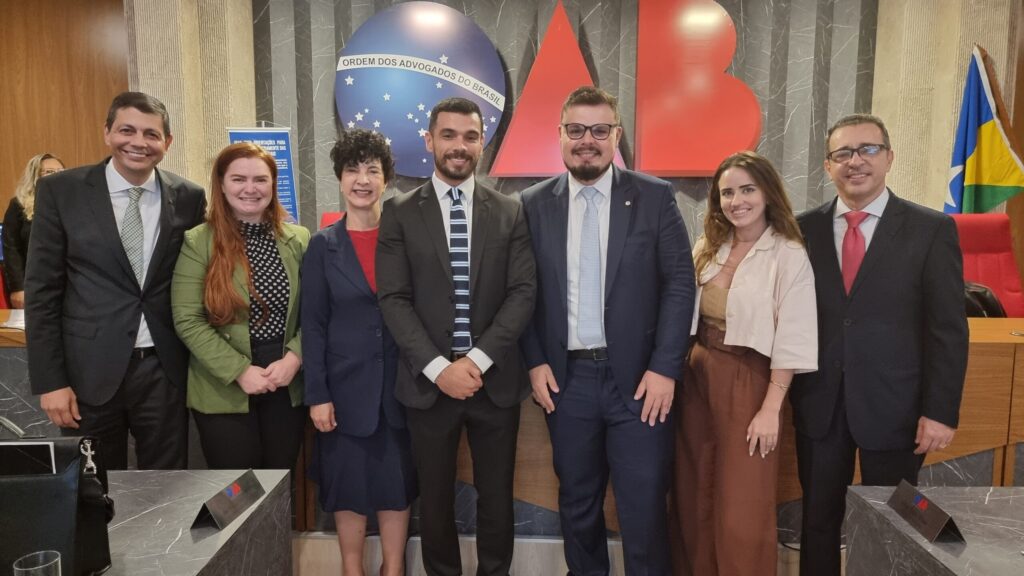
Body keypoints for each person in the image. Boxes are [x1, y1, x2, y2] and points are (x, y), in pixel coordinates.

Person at [520, 86, 695, 576]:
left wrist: (665, 368)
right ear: (560, 135)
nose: (587, 140)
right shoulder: (533, 203)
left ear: (617, 136)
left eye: (599, 130)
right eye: (576, 129)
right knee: (577, 504)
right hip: (567, 381)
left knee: (643, 507)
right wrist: (534, 360)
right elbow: (521, 292)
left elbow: (680, 284)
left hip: (642, 384)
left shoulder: (654, 197)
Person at [792, 113, 968, 576]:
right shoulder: (800, 229)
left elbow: (948, 330)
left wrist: (941, 411)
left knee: (897, 521)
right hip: (820, 405)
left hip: (898, 408)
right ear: (828, 166)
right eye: (843, 153)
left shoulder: (931, 229)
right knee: (817, 521)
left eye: (868, 149)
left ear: (889, 157)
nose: (856, 161)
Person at [376, 97, 536, 576]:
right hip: (428, 385)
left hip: (494, 382)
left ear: (482, 143)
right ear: (429, 141)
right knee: (435, 499)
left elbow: (523, 292)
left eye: (470, 136)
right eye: (448, 135)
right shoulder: (400, 212)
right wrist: (439, 368)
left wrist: (476, 361)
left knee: (497, 498)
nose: (459, 146)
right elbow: (394, 299)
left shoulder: (509, 211)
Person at [25, 91, 206, 471]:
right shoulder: (62, 192)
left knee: (166, 487)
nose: (139, 142)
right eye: (127, 130)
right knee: (92, 489)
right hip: (87, 374)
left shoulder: (189, 197)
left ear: (167, 142)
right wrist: (50, 382)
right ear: (107, 132)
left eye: (151, 134)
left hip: (163, 371)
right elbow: (42, 292)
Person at [671, 151, 817, 576]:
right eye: (727, 193)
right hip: (697, 375)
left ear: (768, 192)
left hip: (750, 381)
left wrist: (771, 409)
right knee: (694, 490)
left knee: (742, 501)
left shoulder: (788, 253)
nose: (737, 201)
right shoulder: (708, 246)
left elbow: (794, 335)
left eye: (747, 190)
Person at [302, 129, 416, 576]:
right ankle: (352, 570)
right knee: (347, 488)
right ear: (340, 178)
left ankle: (393, 569)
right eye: (353, 170)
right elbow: (312, 325)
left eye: (372, 170)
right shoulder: (322, 245)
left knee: (395, 486)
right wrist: (317, 394)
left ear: (386, 179)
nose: (362, 180)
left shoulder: (403, 239)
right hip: (343, 391)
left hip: (400, 390)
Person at [171, 142, 309, 470]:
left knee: (279, 483)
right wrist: (239, 371)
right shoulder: (198, 241)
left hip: (285, 380)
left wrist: (296, 357)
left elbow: (317, 312)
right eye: (238, 179)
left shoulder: (299, 239)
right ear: (221, 184)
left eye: (260, 179)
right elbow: (187, 318)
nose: (250, 188)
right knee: (236, 490)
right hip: (224, 387)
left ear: (273, 185)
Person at [4, 153, 65, 309]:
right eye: (49, 172)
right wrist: (18, 288)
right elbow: (12, 250)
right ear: (35, 176)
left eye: (61, 171)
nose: (57, 175)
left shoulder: (74, 204)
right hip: (34, 286)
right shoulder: (18, 205)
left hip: (69, 285)